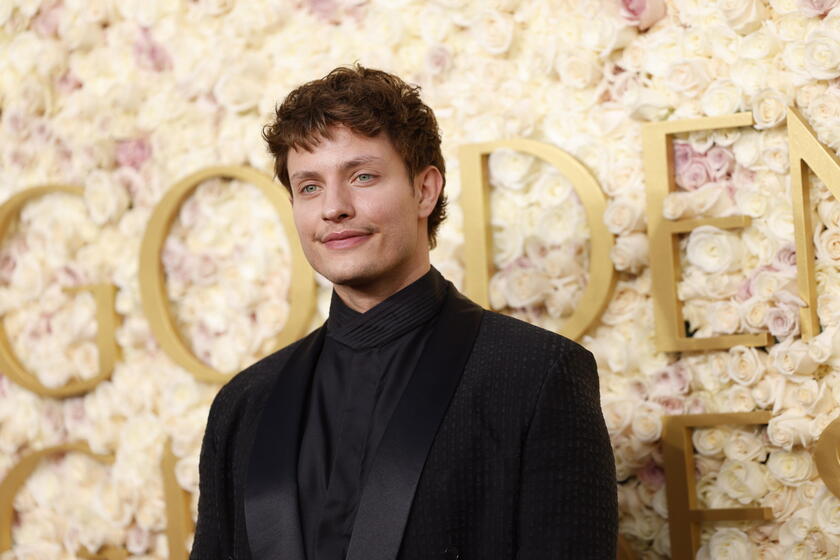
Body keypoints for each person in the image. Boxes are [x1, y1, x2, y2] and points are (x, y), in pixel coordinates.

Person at [190, 64, 617, 560]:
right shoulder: (244, 403)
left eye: (362, 176)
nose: (334, 207)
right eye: (309, 187)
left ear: (424, 190)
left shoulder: (536, 375)